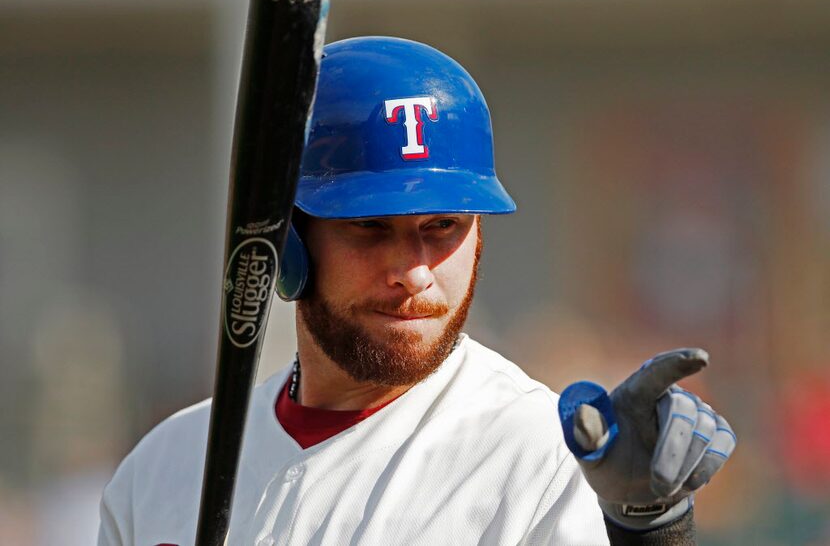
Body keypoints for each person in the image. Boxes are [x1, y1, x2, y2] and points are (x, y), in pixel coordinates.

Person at [98, 36, 736, 546]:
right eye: (369, 227)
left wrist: (652, 530)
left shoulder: (540, 457)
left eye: (443, 227)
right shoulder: (165, 469)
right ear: (288, 241)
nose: (415, 271)